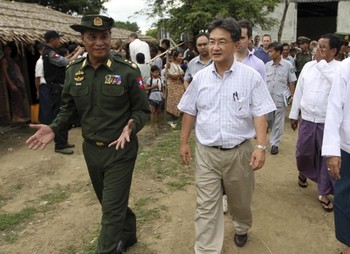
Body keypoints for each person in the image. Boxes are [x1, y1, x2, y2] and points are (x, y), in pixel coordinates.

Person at [26, 15, 150, 254]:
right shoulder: (73, 71)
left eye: (104, 36)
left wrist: (132, 125)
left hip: (120, 150)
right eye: (92, 37)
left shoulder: (127, 71)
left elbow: (142, 109)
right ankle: (129, 232)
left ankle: (107, 249)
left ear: (110, 38)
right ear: (83, 39)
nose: (99, 42)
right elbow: (68, 109)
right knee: (108, 201)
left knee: (111, 210)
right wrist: (53, 127)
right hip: (91, 150)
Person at [178, 17, 276, 253]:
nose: (215, 47)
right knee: (206, 206)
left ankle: (241, 227)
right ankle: (206, 249)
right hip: (207, 154)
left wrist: (261, 147)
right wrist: (183, 142)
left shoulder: (250, 77)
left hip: (239, 153)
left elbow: (260, 113)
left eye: (222, 42)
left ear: (235, 44)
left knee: (240, 202)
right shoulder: (200, 79)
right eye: (211, 42)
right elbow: (189, 112)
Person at [289, 33, 342, 212]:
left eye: (322, 47)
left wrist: (321, 64)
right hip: (307, 119)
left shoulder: (339, 69)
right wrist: (294, 114)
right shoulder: (308, 67)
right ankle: (304, 171)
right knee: (302, 152)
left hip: (327, 122)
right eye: (317, 46)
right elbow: (300, 91)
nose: (317, 50)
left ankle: (323, 192)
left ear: (334, 51)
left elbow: (337, 85)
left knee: (324, 158)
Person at [322, 57, 350, 254]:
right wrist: (332, 150)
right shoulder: (346, 66)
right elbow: (334, 107)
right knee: (344, 198)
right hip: (347, 147)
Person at [41, 30, 84, 154]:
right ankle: (60, 144)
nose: (59, 42)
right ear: (53, 39)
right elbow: (66, 62)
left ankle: (63, 142)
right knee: (60, 114)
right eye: (58, 39)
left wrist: (73, 53)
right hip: (56, 88)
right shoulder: (49, 53)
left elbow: (62, 60)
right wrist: (79, 53)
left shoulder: (50, 53)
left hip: (57, 87)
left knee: (63, 113)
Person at [266, 41, 296, 155]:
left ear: (278, 52)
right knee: (269, 120)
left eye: (271, 51)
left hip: (280, 97)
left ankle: (274, 144)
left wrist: (292, 97)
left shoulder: (288, 65)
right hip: (268, 98)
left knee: (278, 121)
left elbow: (291, 82)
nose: (269, 53)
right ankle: (272, 137)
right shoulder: (267, 66)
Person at [1, 45, 30, 123]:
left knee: (20, 98)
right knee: (16, 99)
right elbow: (5, 73)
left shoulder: (10, 59)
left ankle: (19, 115)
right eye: (6, 50)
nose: (8, 52)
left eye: (9, 50)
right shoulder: (4, 60)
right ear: (3, 51)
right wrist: (11, 84)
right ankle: (15, 116)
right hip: (13, 82)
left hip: (17, 81)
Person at [166, 50, 184, 120]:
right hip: (173, 85)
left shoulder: (179, 65)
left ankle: (178, 115)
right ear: (176, 57)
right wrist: (180, 74)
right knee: (173, 100)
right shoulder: (170, 64)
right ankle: (173, 116)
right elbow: (170, 75)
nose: (181, 57)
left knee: (179, 99)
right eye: (180, 56)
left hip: (179, 85)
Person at [34, 43, 47, 120]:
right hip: (44, 86)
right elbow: (37, 78)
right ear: (40, 51)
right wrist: (38, 90)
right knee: (46, 106)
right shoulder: (40, 62)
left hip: (49, 86)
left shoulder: (48, 60)